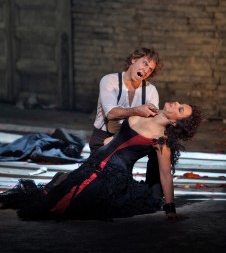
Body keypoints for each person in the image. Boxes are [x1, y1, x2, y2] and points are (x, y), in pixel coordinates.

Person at [0, 101, 202, 221]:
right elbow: (119, 127)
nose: (176, 103)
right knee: (57, 186)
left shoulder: (161, 140)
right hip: (94, 161)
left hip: (109, 176)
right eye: (180, 103)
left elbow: (165, 175)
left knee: (60, 203)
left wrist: (170, 208)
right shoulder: (148, 109)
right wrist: (113, 137)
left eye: (181, 108)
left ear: (176, 122)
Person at [89, 47, 164, 196]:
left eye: (150, 69)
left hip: (130, 140)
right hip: (104, 137)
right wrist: (137, 111)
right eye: (144, 63)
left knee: (161, 147)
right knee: (103, 188)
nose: (146, 70)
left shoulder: (150, 90)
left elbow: (152, 122)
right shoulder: (109, 80)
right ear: (133, 60)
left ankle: (155, 193)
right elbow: (111, 113)